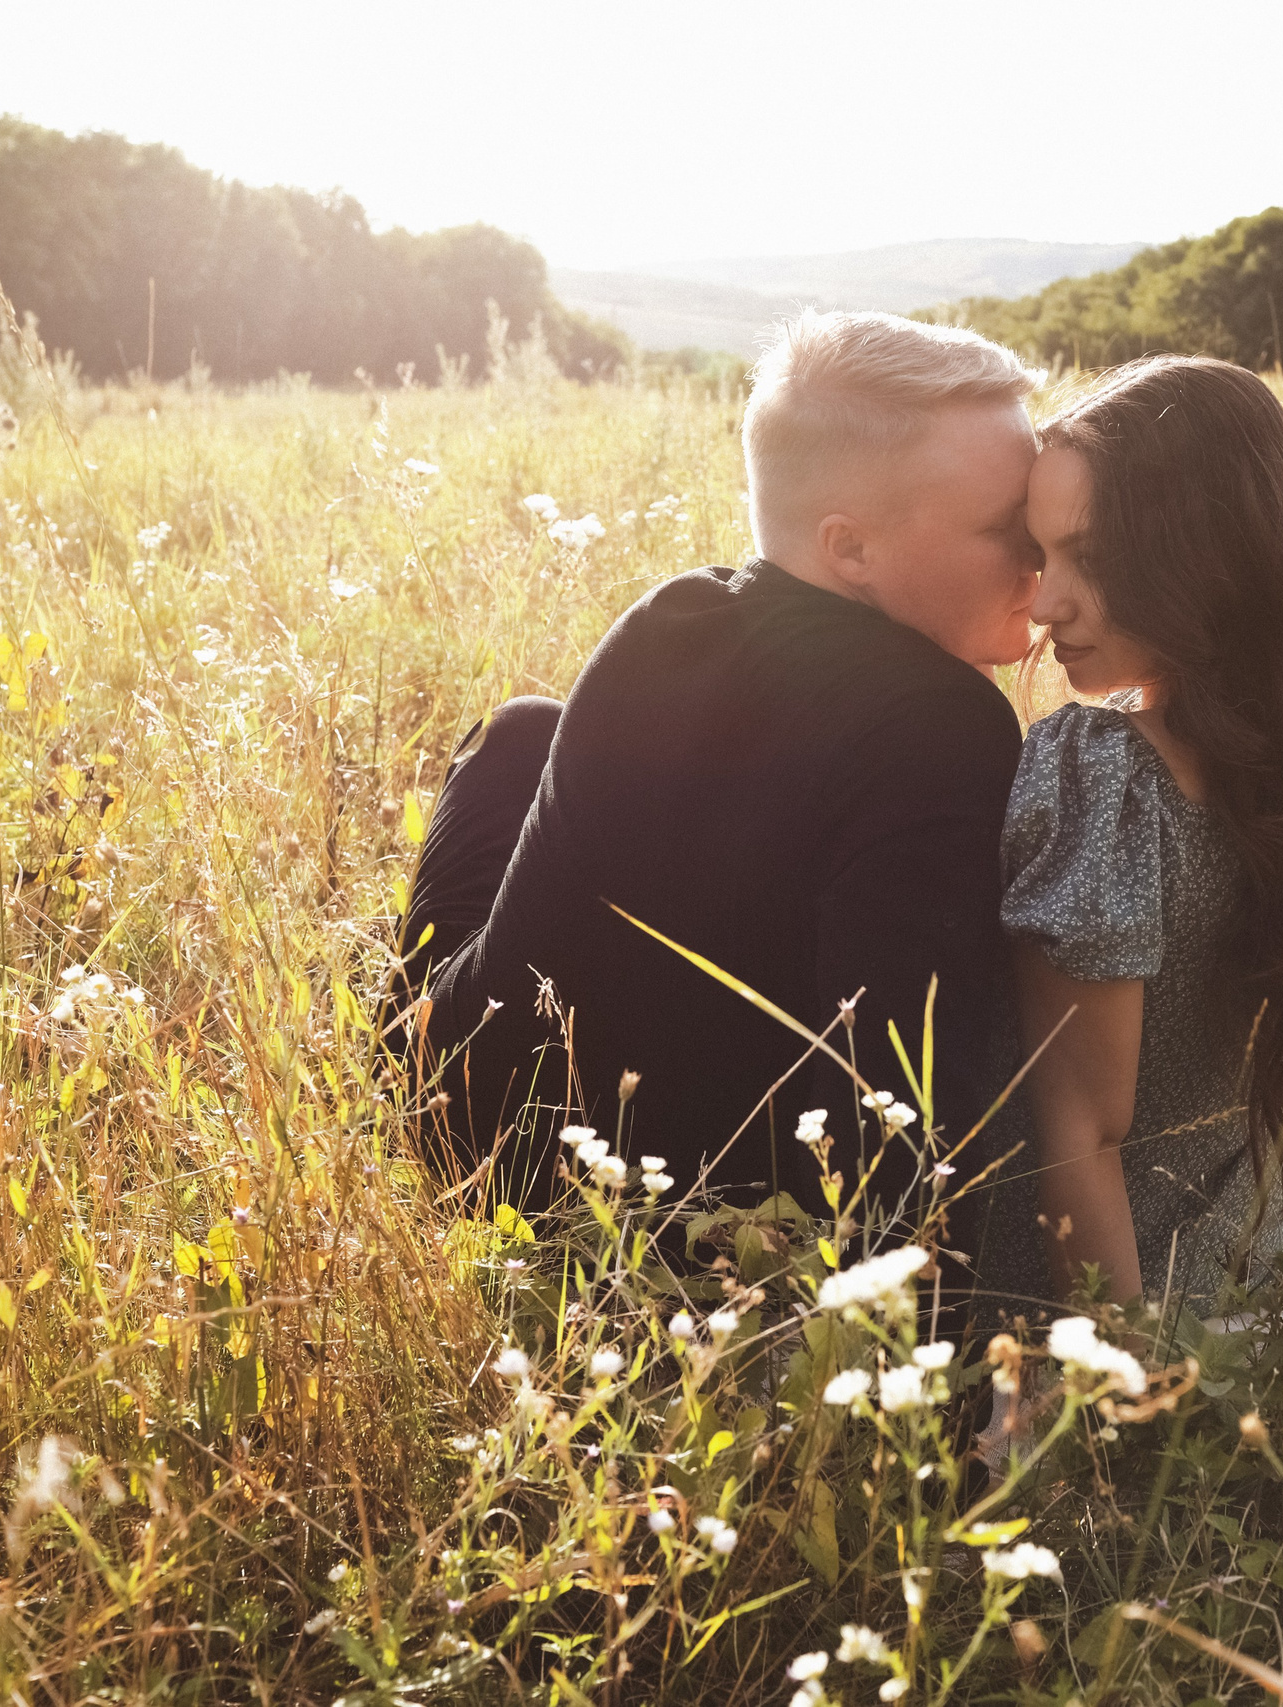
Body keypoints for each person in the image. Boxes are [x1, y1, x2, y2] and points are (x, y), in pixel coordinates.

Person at [390, 312, 1044, 1257]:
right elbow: (894, 1106)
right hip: (664, 1232)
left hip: (454, 1108)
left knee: (518, 730)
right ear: (851, 549)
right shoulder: (946, 730)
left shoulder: (668, 616)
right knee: (524, 732)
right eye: (1006, 529)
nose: (1044, 555)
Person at [993, 355, 1283, 1315]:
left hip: (1147, 1290)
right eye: (1041, 555)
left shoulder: (1104, 769)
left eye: (1091, 559)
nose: (1044, 605)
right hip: (1182, 1264)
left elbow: (1079, 1133)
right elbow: (1083, 1133)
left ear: (1208, 556)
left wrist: (1124, 1379)